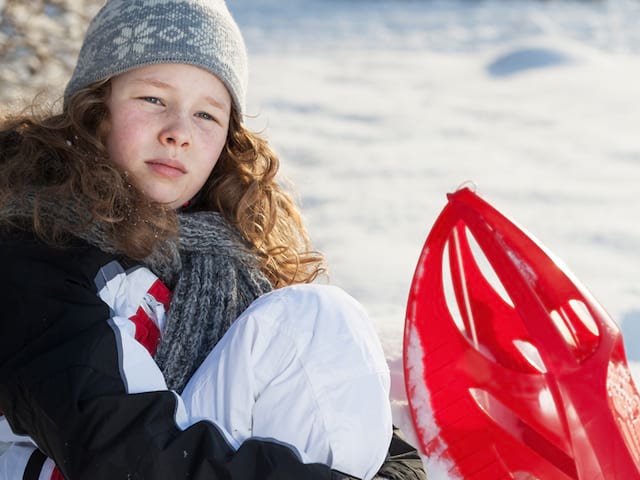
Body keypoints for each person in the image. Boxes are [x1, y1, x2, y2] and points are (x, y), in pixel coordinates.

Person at [0, 0, 426, 479]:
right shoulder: (34, 242)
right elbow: (115, 442)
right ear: (95, 110)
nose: (179, 132)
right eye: (153, 99)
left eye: (206, 115)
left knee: (315, 319)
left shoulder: (227, 266)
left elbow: (377, 445)